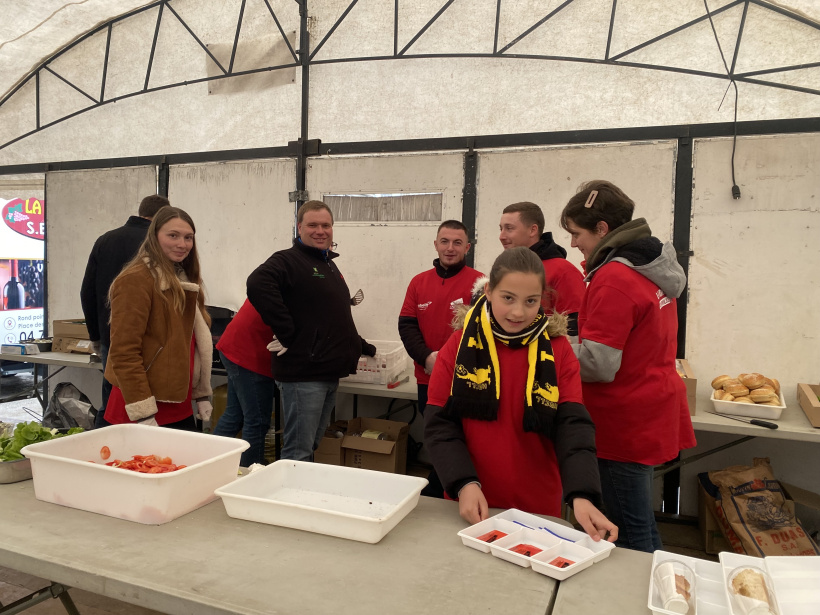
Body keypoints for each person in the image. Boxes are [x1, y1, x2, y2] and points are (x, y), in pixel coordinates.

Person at [424, 247, 617, 543]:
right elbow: (440, 424)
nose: (518, 312)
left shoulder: (558, 350)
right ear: (489, 291)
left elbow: (572, 426)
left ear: (542, 298)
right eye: (508, 298)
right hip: (473, 501)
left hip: (538, 508)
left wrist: (583, 494)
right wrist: (463, 483)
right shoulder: (459, 345)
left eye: (530, 301)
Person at [560, 180, 696, 552]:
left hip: (622, 423)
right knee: (640, 521)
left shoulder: (614, 278)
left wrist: (547, 348)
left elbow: (598, 364)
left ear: (602, 228)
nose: (574, 243)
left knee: (628, 531)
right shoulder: (649, 268)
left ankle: (645, 586)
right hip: (649, 407)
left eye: (577, 233)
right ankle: (657, 579)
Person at [247, 200, 376, 462]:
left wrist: (361, 346)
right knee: (298, 450)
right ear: (299, 227)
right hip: (303, 374)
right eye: (313, 225)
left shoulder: (327, 264)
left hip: (327, 371)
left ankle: (299, 486)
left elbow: (332, 316)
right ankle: (288, 489)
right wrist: (287, 332)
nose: (320, 231)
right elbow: (257, 283)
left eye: (326, 225)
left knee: (311, 444)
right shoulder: (288, 260)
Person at [102, 207, 213, 430]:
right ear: (154, 236)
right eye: (173, 235)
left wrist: (200, 393)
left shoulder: (184, 279)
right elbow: (124, 353)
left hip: (177, 402)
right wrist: (143, 412)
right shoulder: (135, 280)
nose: (182, 244)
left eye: (188, 237)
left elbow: (189, 343)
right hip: (142, 405)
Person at [398, 220, 484, 497]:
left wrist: (449, 362)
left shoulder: (480, 283)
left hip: (465, 380)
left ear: (467, 247)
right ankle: (444, 491)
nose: (450, 248)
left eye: (457, 243)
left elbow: (483, 333)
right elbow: (407, 326)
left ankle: (450, 490)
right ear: (435, 244)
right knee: (437, 435)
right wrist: (426, 358)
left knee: (464, 438)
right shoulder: (419, 282)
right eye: (445, 241)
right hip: (428, 378)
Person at [80, 194, 170, 427]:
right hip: (149, 341)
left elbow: (87, 292)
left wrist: (95, 337)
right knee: (145, 405)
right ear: (162, 217)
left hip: (109, 334)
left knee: (111, 401)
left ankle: (103, 446)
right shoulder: (158, 244)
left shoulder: (105, 240)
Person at [499, 202, 585, 339]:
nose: (501, 236)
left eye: (509, 228)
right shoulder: (505, 270)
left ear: (532, 230)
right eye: (501, 229)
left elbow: (573, 332)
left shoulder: (564, 272)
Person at [212, 299, 275, 466]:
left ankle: (207, 463)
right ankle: (251, 474)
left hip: (236, 347)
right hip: (248, 353)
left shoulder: (274, 284)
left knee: (235, 415)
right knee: (257, 421)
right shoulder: (290, 287)